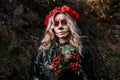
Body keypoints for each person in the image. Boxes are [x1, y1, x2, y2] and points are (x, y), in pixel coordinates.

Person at [30, 5, 96, 80]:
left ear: (71, 25)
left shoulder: (82, 51)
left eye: (64, 23)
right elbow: (35, 76)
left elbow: (89, 76)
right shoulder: (43, 51)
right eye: (56, 24)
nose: (60, 27)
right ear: (52, 28)